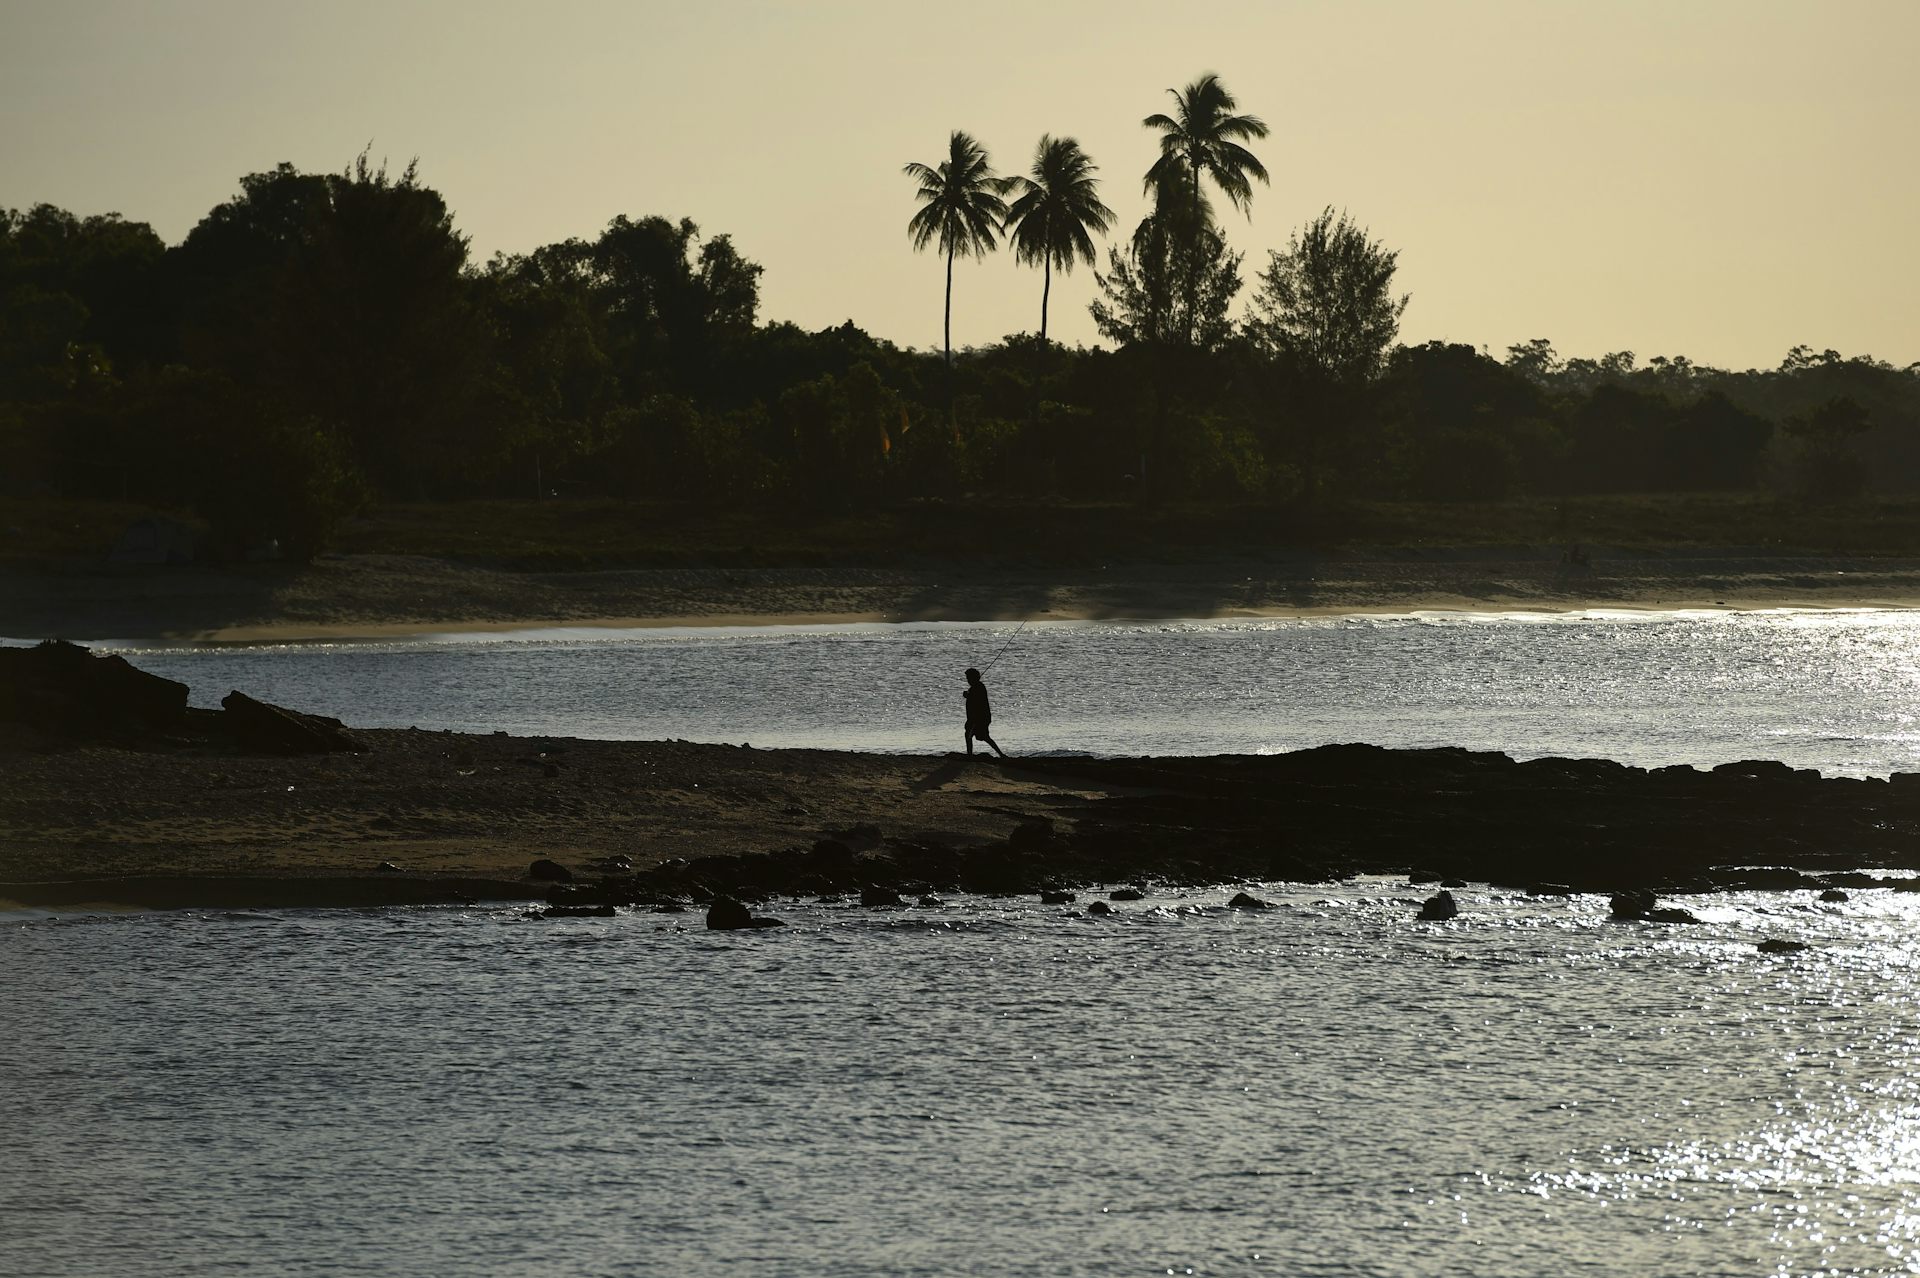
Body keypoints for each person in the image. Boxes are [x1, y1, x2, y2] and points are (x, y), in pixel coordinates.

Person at [963, 667, 1006, 758]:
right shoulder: (976, 687)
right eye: (967, 679)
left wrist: (968, 695)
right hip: (976, 717)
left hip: (979, 718)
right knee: (978, 736)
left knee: (975, 735)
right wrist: (968, 695)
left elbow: (977, 701)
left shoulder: (978, 687)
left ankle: (970, 755)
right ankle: (1001, 754)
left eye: (969, 678)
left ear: (974, 678)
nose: (968, 681)